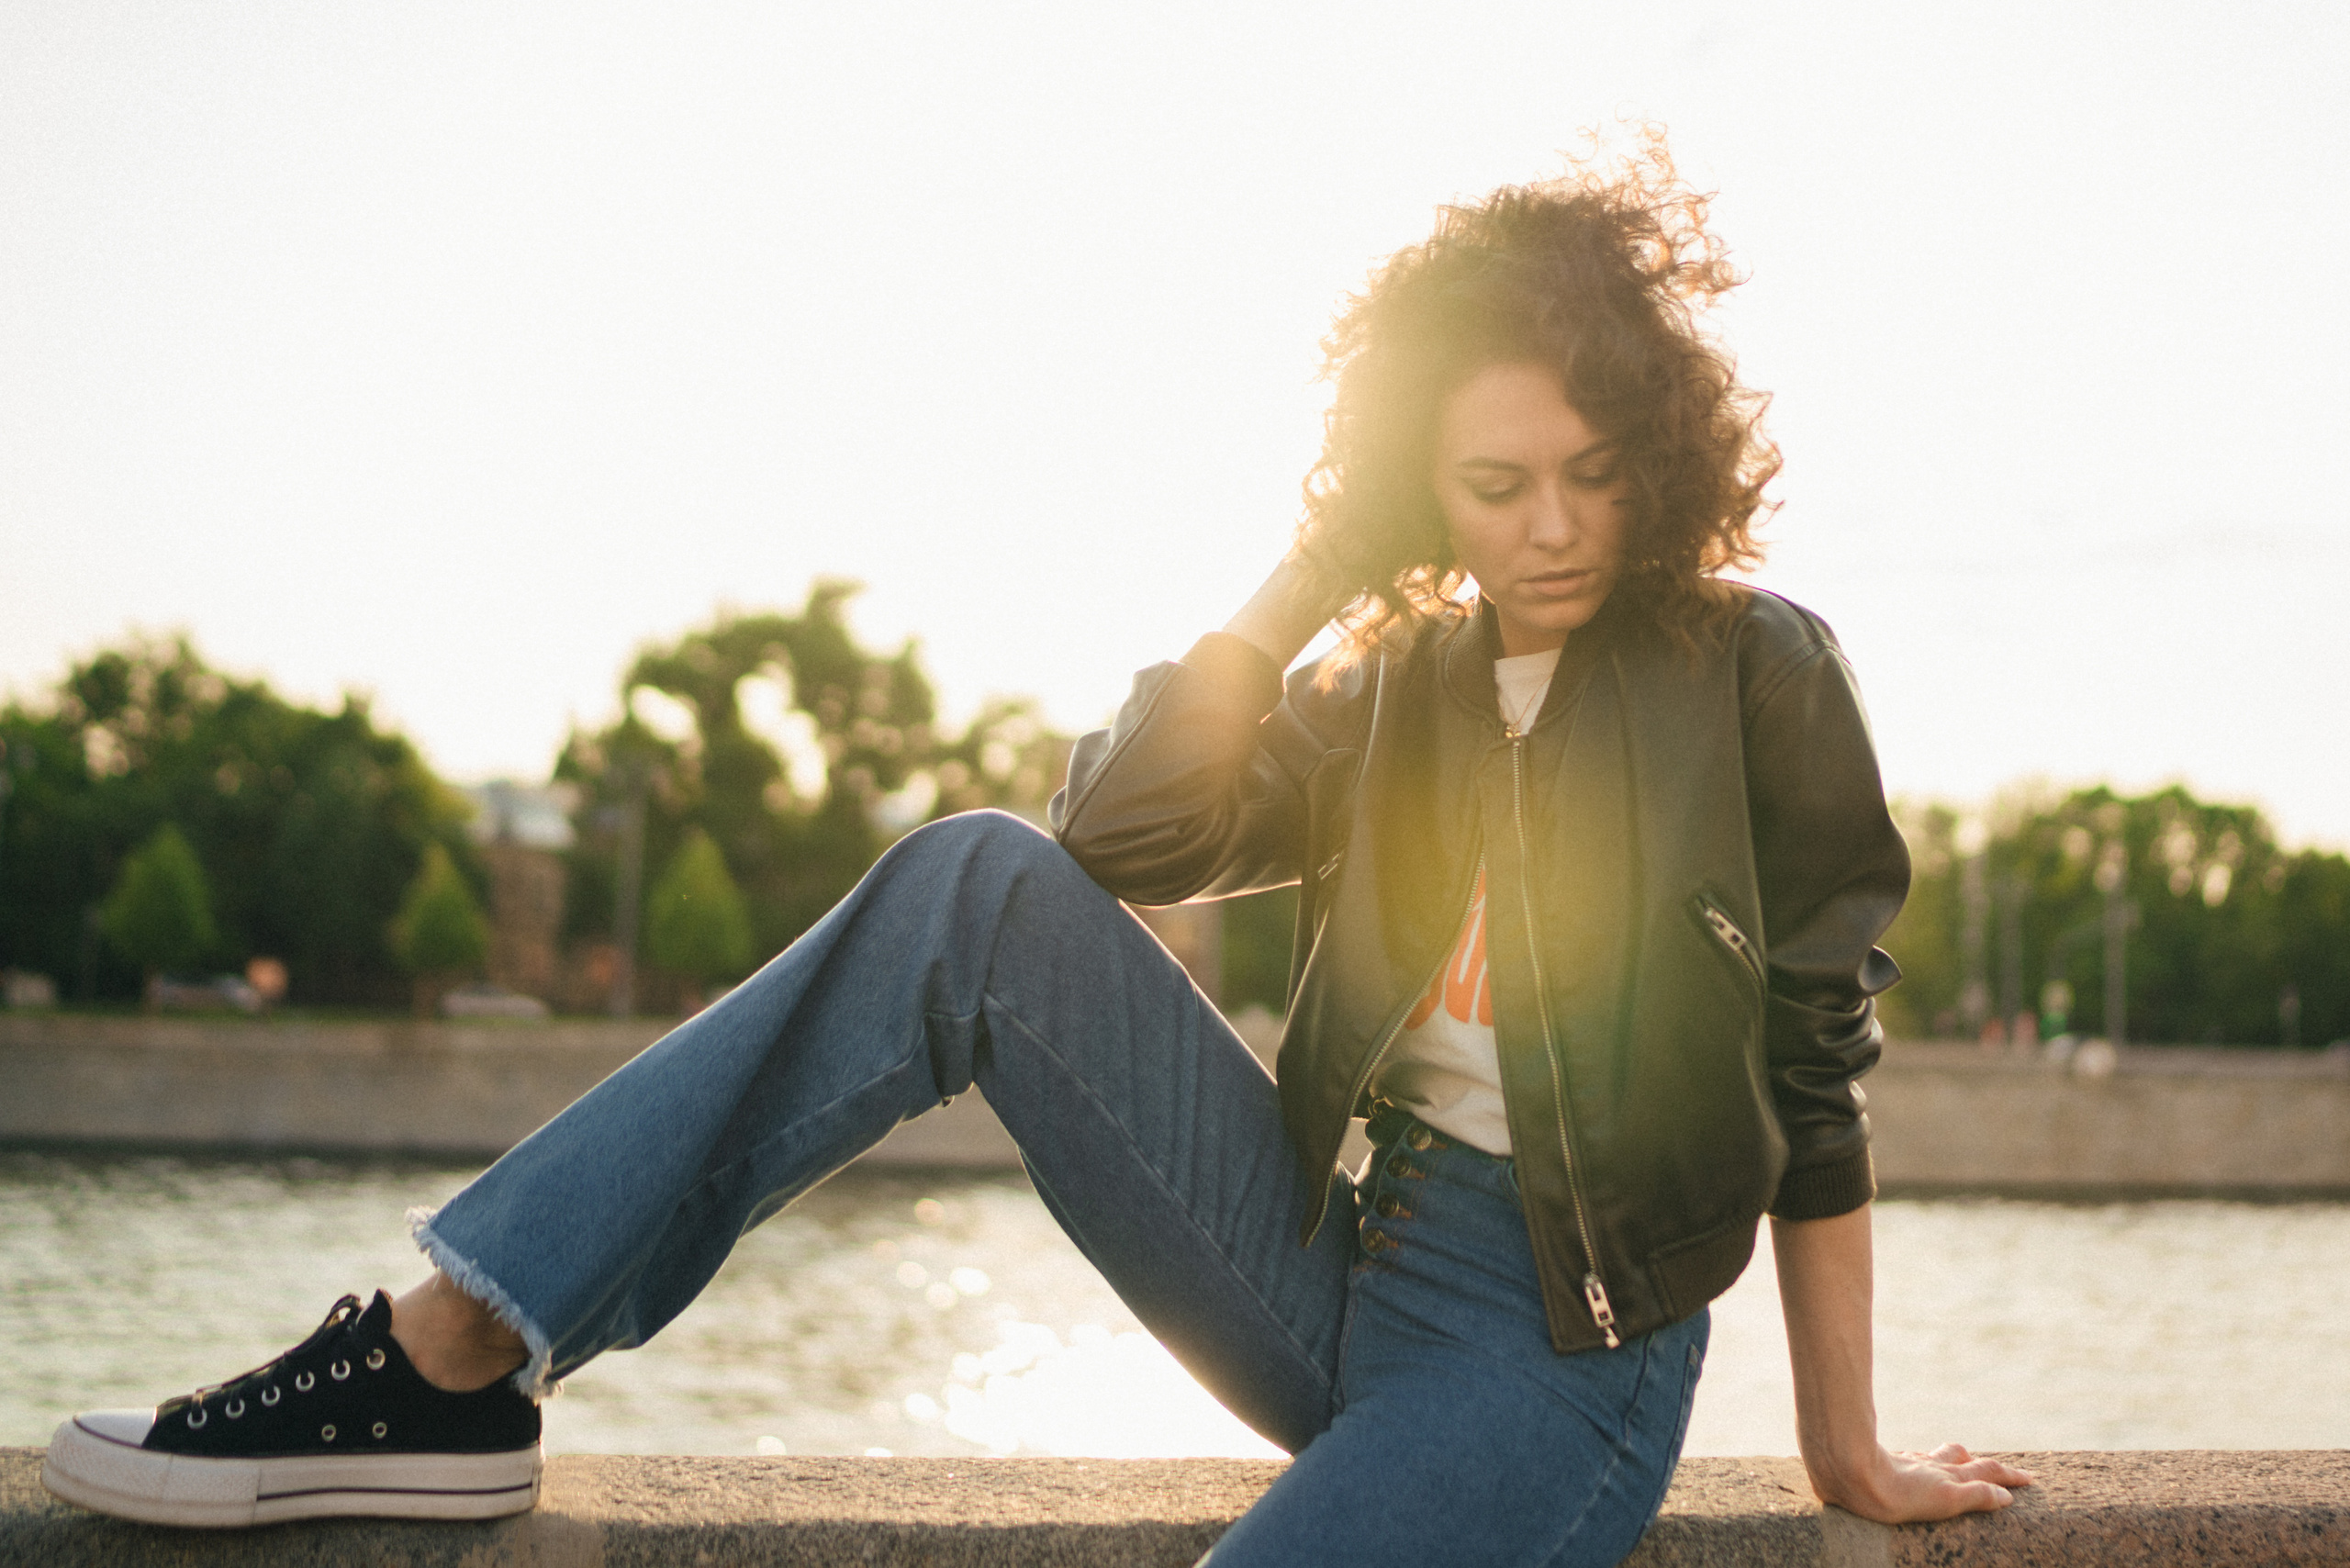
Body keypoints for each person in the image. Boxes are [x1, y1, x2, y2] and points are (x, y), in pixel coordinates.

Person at [43, 136, 2032, 1563]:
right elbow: (1118, 833)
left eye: (1592, 472)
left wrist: (1837, 1440)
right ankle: (451, 1351)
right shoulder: (1391, 691)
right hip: (1336, 1250)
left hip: (1561, 1350)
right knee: (973, 874)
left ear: (1658, 449)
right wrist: (1311, 578)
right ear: (1424, 482)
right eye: (1491, 481)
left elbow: (1810, 1077)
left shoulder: (1752, 669)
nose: (1549, 523)